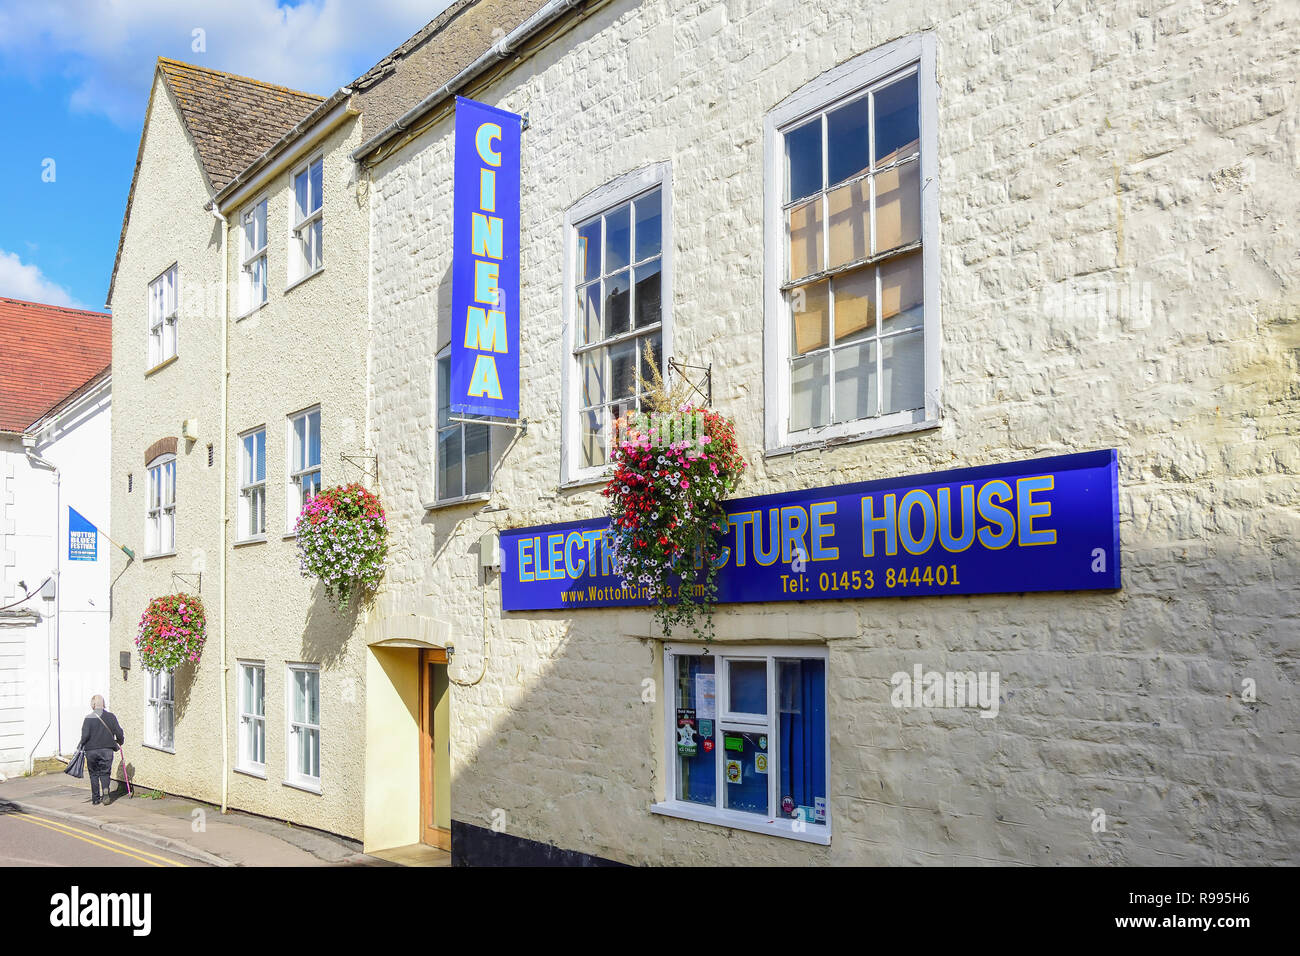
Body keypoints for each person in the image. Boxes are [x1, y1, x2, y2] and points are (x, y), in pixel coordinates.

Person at [77, 695, 124, 806]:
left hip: (91, 751)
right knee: (105, 773)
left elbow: (85, 736)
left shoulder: (88, 718)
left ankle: (95, 799)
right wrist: (120, 741)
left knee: (93, 774)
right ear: (103, 704)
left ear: (93, 705)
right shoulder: (111, 717)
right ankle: (106, 791)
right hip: (107, 750)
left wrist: (80, 746)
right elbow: (119, 732)